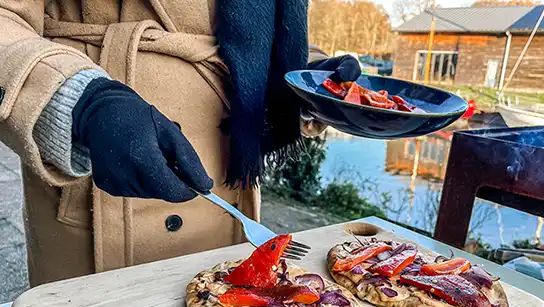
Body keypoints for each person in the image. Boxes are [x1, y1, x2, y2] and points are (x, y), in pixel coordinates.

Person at [0, 1, 360, 287]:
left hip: (228, 179)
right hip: (104, 159)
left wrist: (311, 80)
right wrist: (81, 102)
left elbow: (250, 38)